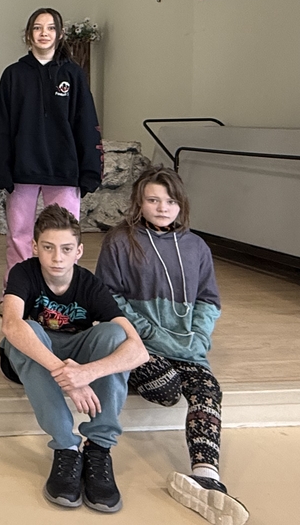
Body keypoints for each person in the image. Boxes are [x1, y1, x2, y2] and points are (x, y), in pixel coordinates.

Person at [96, 167, 249, 525]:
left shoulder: (197, 246)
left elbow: (209, 300)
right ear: (139, 202)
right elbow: (109, 298)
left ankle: (206, 475)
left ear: (181, 204)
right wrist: (153, 333)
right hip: (138, 345)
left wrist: (198, 337)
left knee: (208, 388)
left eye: (170, 200)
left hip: (187, 347)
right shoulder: (121, 240)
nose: (163, 207)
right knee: (166, 390)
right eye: (153, 200)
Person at [0, 205, 148, 513]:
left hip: (76, 357)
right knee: (25, 330)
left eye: (66, 249)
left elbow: (138, 350)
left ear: (78, 251)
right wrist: (67, 376)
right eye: (49, 248)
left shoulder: (89, 284)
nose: (57, 258)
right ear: (35, 247)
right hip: (34, 357)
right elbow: (11, 324)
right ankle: (66, 446)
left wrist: (86, 373)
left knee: (114, 336)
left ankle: (98, 447)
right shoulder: (23, 272)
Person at [0, 8, 103, 296]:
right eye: (38, 28)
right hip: (22, 171)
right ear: (29, 34)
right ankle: (16, 295)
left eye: (50, 28)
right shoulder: (13, 74)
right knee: (19, 237)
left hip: (64, 172)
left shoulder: (73, 74)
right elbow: (1, 126)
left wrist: (90, 170)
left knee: (63, 239)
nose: (44, 33)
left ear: (60, 34)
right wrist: (1, 169)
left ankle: (61, 295)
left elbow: (86, 123)